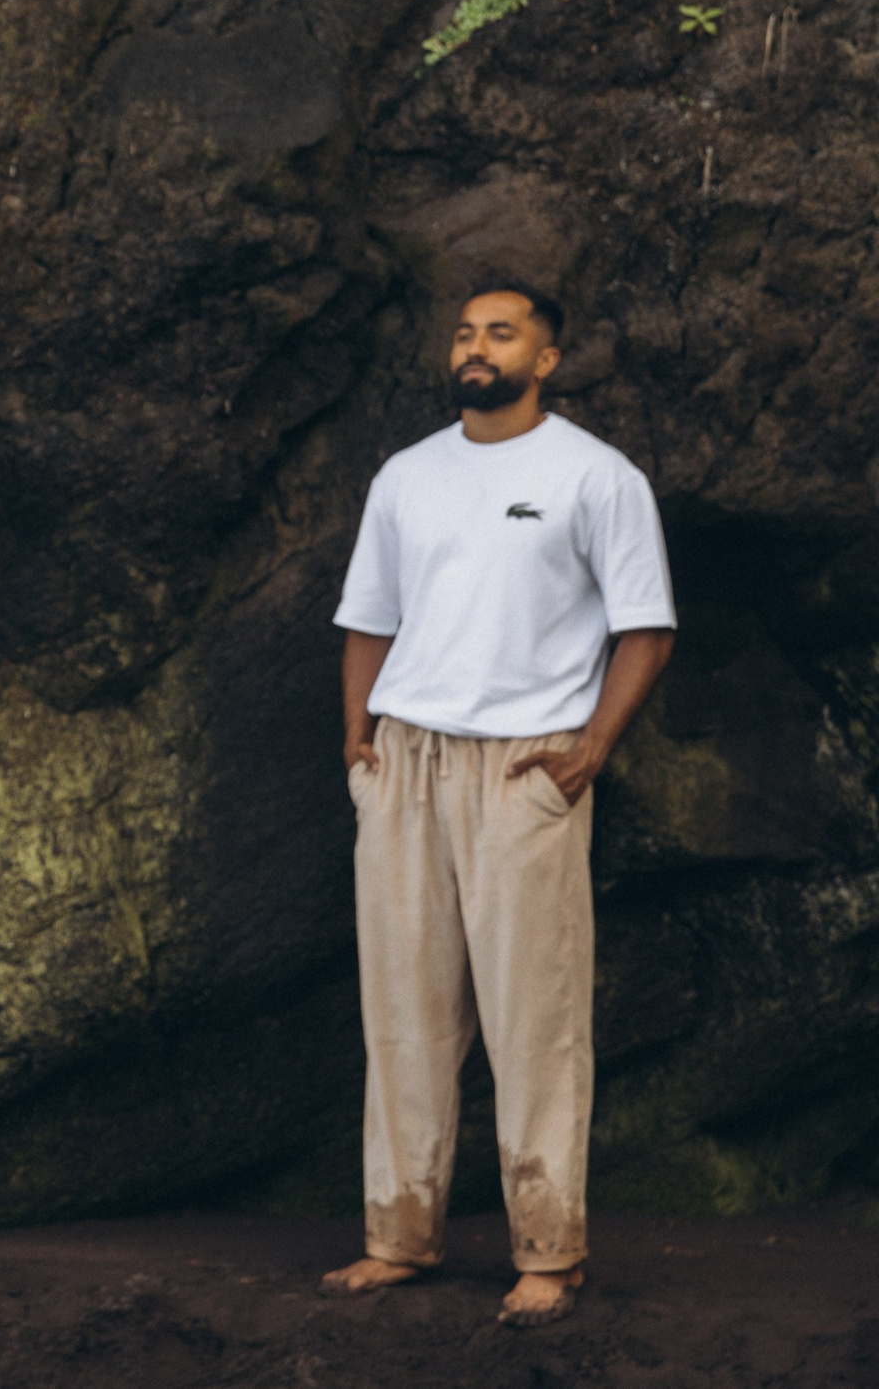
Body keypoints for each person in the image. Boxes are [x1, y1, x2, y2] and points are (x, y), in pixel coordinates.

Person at [319, 280, 675, 1328]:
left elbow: (643, 626)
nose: (476, 348)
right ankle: (398, 1238)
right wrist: (359, 736)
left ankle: (548, 1254)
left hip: (527, 765)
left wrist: (589, 752)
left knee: (535, 1019)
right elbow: (369, 617)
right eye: (466, 333)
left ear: (546, 359)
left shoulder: (594, 477)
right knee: (403, 1014)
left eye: (501, 333)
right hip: (406, 761)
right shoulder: (407, 474)